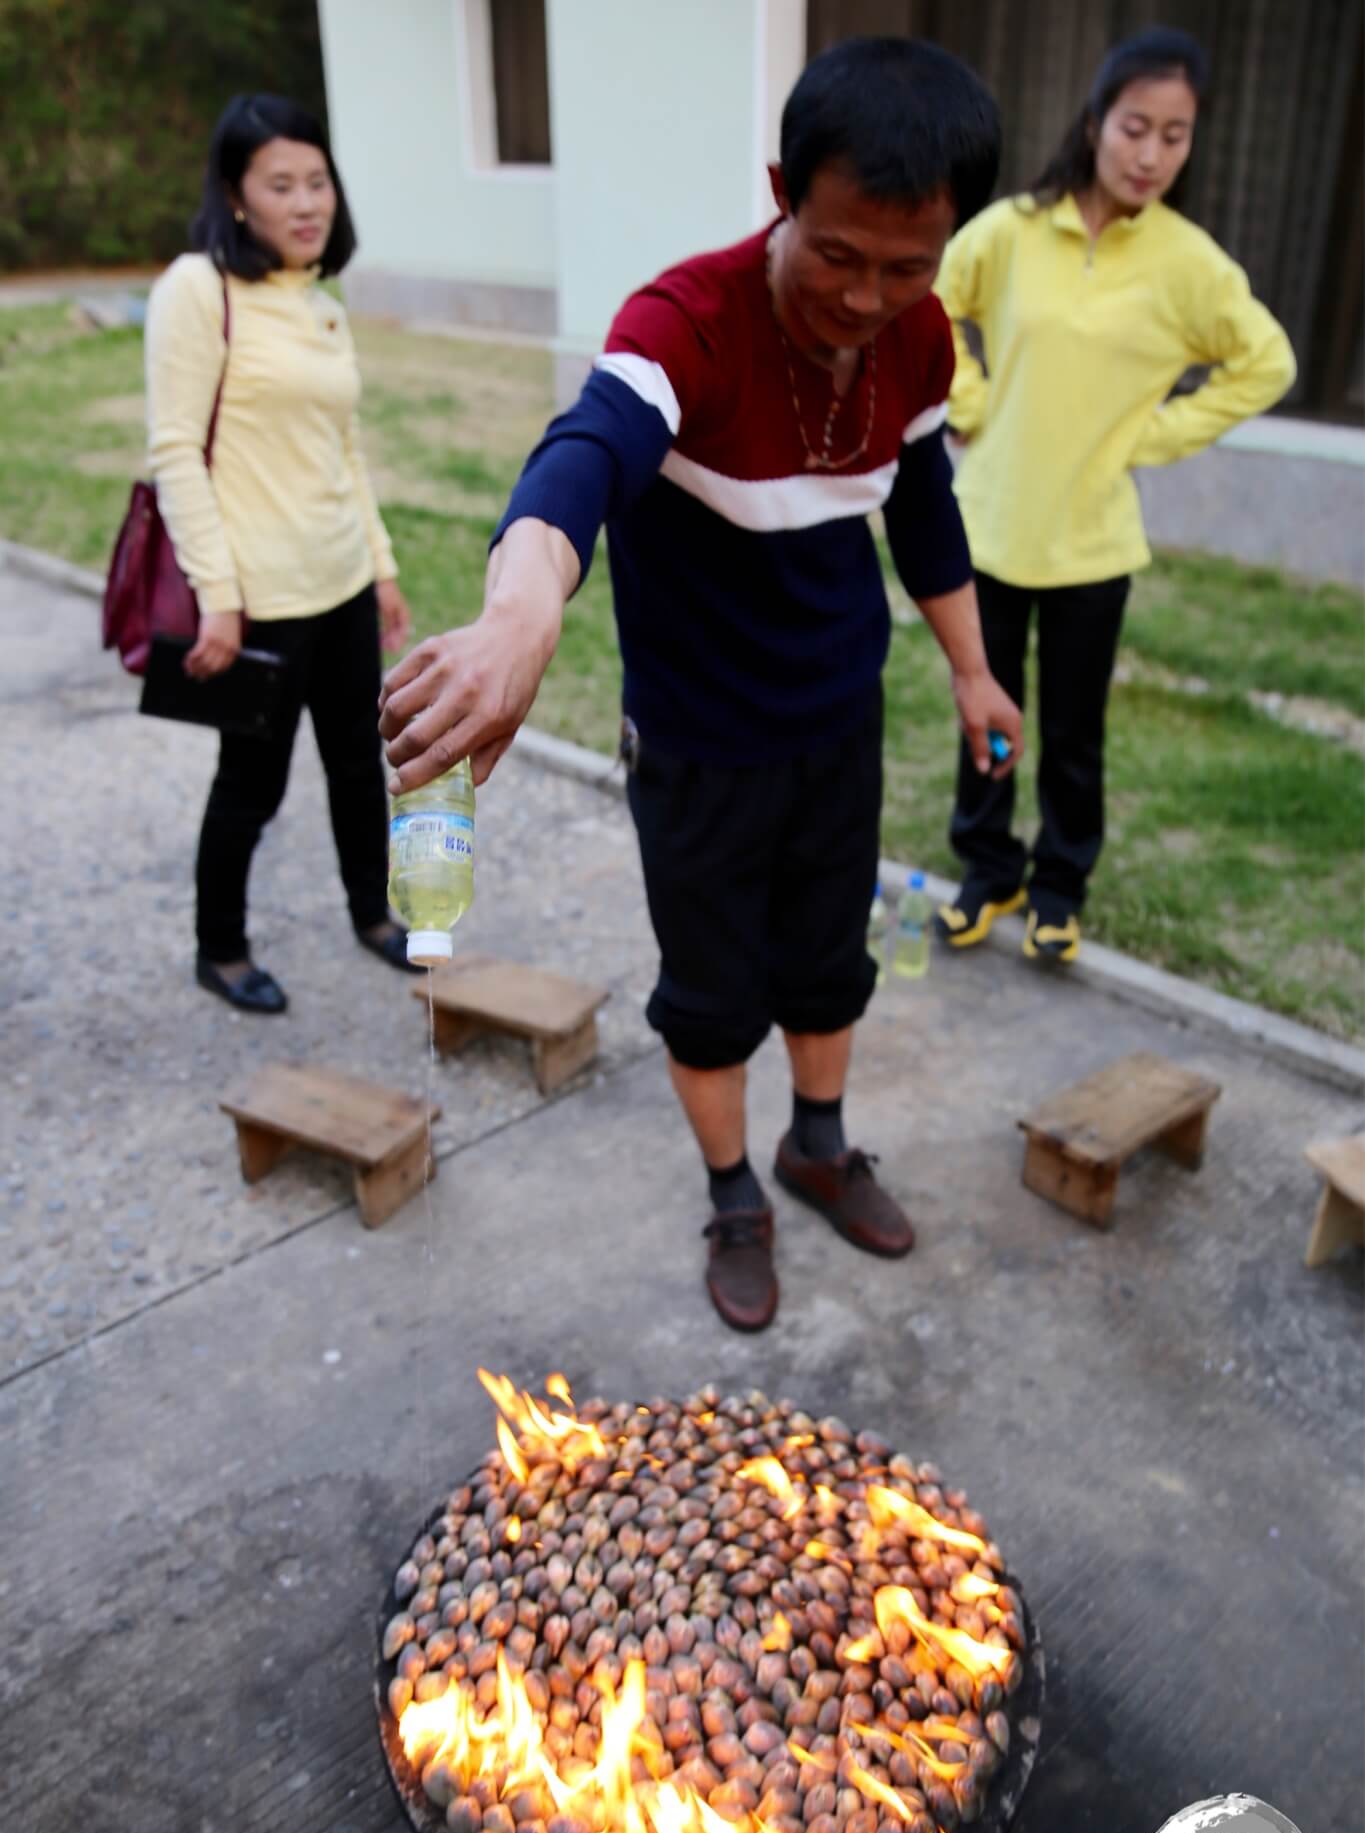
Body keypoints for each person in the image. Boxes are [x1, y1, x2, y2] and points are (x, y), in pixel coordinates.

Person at [379, 38, 1019, 1332]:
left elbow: (925, 504)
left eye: (907, 267)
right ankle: (736, 1193)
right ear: (784, 189)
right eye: (837, 253)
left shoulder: (918, 343)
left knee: (830, 963)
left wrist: (972, 671)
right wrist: (518, 615)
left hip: (836, 718)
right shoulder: (684, 322)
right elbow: (583, 458)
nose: (863, 296)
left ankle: (818, 1146)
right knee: (714, 990)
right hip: (699, 741)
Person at [933, 27, 1295, 965]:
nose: (1150, 153)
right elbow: (928, 299)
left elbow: (1266, 362)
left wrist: (1151, 435)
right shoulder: (1011, 230)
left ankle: (1058, 883)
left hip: (1094, 547)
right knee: (991, 720)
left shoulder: (1188, 263)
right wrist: (966, 402)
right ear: (1095, 121)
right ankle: (989, 866)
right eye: (1136, 126)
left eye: (1174, 136)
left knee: (1074, 732)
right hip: (992, 528)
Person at [145, 92, 415, 1014]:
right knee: (250, 786)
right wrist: (217, 595)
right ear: (235, 195)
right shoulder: (196, 290)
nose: (307, 203)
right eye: (281, 185)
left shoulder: (318, 304)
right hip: (257, 599)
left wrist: (378, 565)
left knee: (354, 764)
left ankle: (374, 915)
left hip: (339, 582)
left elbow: (343, 449)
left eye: (318, 181)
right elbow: (176, 447)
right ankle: (219, 949)